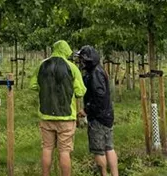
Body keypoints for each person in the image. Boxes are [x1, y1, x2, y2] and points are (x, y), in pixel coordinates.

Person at [30, 40, 86, 176]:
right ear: (66, 50)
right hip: (66, 117)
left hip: (46, 115)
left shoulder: (42, 65)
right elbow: (80, 92)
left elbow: (32, 85)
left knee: (47, 148)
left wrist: (46, 89)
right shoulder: (72, 67)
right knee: (64, 151)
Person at [76, 45, 119, 176]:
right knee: (109, 147)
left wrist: (86, 110)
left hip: (98, 118)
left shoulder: (95, 74)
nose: (80, 62)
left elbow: (99, 97)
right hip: (107, 115)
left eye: (82, 59)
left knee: (99, 150)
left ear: (87, 60)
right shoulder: (99, 71)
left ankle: (104, 174)